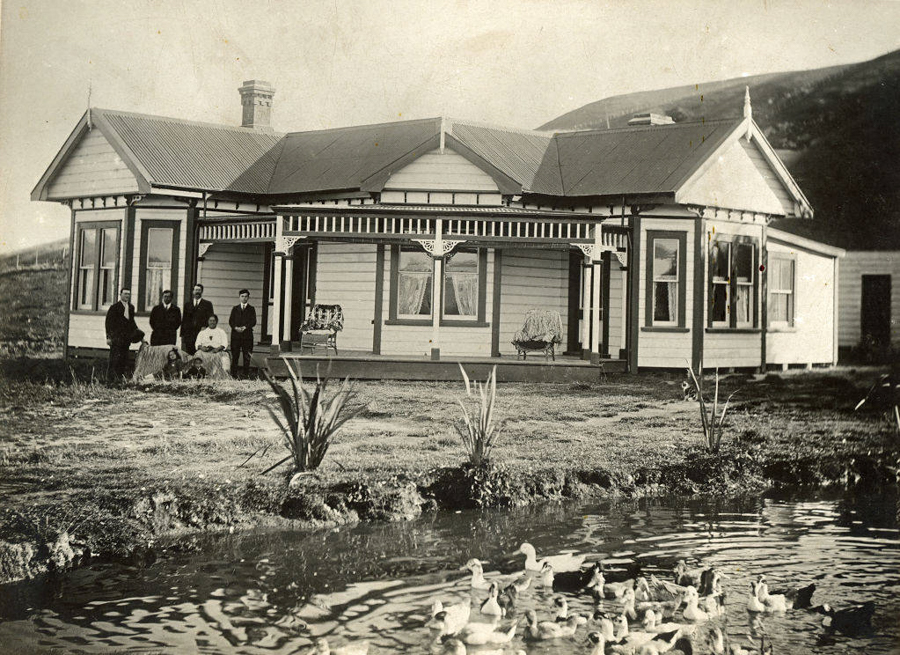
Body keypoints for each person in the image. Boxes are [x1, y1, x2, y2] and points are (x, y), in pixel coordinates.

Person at [105, 288, 143, 382]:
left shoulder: (131, 307)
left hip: (126, 338)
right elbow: (108, 323)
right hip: (116, 338)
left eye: (128, 294)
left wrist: (141, 338)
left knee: (124, 359)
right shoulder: (114, 307)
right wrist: (109, 337)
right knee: (114, 359)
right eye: (125, 294)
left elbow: (132, 323)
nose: (127, 296)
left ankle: (120, 378)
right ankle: (110, 380)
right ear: (120, 294)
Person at [228, 288, 257, 379]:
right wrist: (236, 327)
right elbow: (231, 321)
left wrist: (245, 327)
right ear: (239, 297)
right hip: (236, 336)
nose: (244, 298)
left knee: (246, 356)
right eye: (242, 296)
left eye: (246, 296)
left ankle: (245, 374)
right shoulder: (235, 308)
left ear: (248, 297)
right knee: (235, 355)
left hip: (247, 335)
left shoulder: (251, 309)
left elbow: (253, 321)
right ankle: (233, 374)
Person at [181, 283, 214, 354]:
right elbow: (184, 320)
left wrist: (206, 327)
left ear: (202, 292)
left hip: (202, 334)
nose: (197, 292)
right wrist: (183, 334)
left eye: (199, 290)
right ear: (193, 292)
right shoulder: (187, 305)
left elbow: (211, 319)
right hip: (189, 335)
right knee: (190, 354)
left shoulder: (207, 304)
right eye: (196, 290)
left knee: (201, 354)